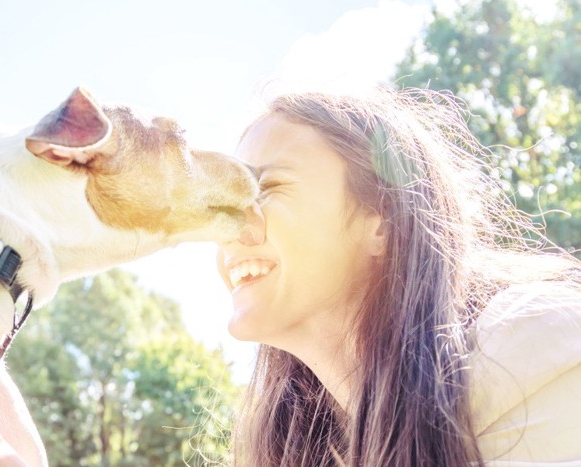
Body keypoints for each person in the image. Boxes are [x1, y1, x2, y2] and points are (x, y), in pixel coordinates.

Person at [214, 85, 581, 466]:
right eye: (228, 204)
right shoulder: (304, 447)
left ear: (383, 218)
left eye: (267, 189)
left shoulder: (532, 346)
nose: (227, 229)